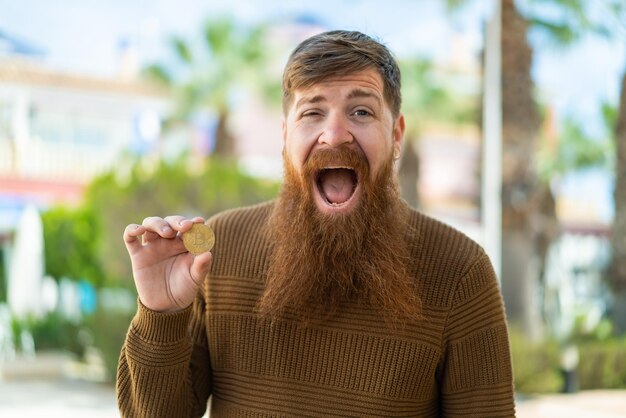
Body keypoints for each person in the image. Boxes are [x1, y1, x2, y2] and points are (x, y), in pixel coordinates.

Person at [116, 30, 516, 417]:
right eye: (313, 112)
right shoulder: (217, 253)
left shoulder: (461, 270)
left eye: (361, 111)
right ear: (286, 135)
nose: (335, 135)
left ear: (396, 135)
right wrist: (161, 314)